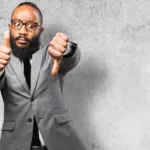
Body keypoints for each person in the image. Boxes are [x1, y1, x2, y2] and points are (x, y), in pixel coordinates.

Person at [0, 2, 86, 150]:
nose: (22, 31)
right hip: (14, 144)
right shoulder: (2, 59)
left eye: (31, 26)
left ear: (40, 30)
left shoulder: (51, 54)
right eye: (17, 24)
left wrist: (66, 49)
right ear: (10, 27)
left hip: (57, 142)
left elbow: (71, 58)